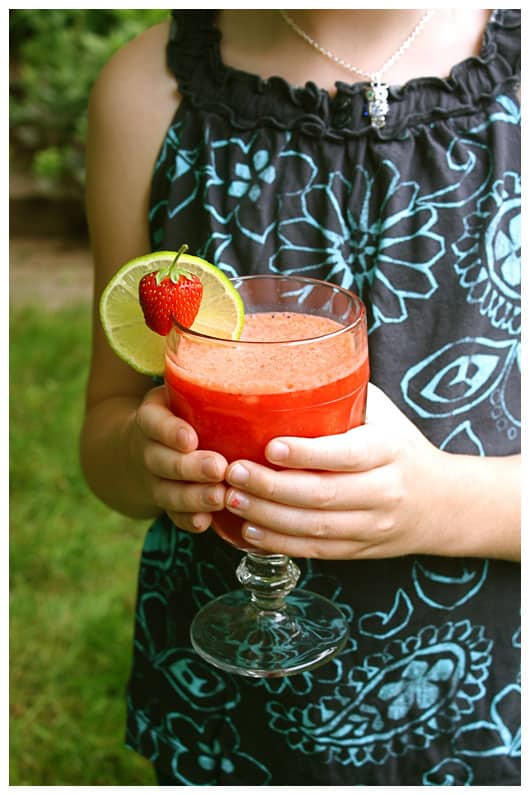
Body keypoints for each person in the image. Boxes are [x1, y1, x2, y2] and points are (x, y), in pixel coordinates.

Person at [81, 9, 521, 786]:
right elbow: (107, 428)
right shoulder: (146, 94)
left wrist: (439, 503)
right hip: (226, 705)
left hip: (490, 705)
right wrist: (138, 454)